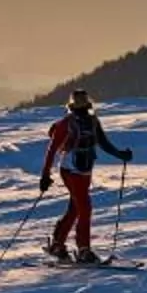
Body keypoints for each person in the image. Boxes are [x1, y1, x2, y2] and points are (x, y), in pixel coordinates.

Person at [37, 87, 133, 263]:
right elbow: (103, 144)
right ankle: (83, 250)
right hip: (74, 171)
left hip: (78, 169)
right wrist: (121, 155)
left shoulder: (74, 123)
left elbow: (52, 151)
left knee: (76, 208)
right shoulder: (83, 122)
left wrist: (45, 175)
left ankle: (58, 245)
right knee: (85, 208)